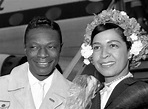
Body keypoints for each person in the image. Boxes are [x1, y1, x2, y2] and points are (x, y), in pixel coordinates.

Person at [80, 9, 148, 109]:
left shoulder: (142, 93)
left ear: (129, 51)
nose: (104, 54)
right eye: (97, 47)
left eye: (113, 45)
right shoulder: (91, 96)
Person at [0, 16, 72, 109]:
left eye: (51, 47)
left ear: (60, 48)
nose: (42, 54)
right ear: (25, 49)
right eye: (34, 47)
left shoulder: (75, 95)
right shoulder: (2, 87)